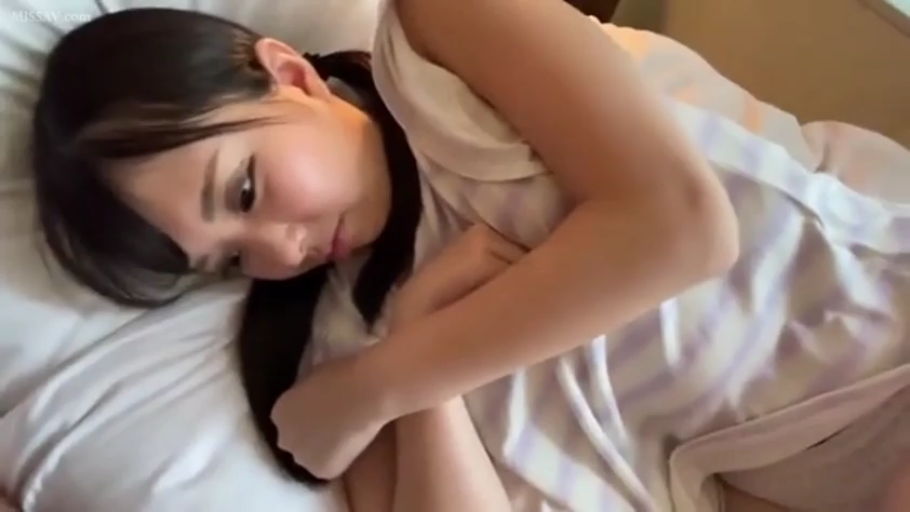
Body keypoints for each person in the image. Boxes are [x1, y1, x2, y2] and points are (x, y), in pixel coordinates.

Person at [27, 0, 910, 510]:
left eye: (247, 190)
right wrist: (427, 380)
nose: (278, 249)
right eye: (227, 262)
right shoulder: (341, 342)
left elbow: (681, 229)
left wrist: (385, 383)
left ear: (288, 73)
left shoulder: (441, 36)